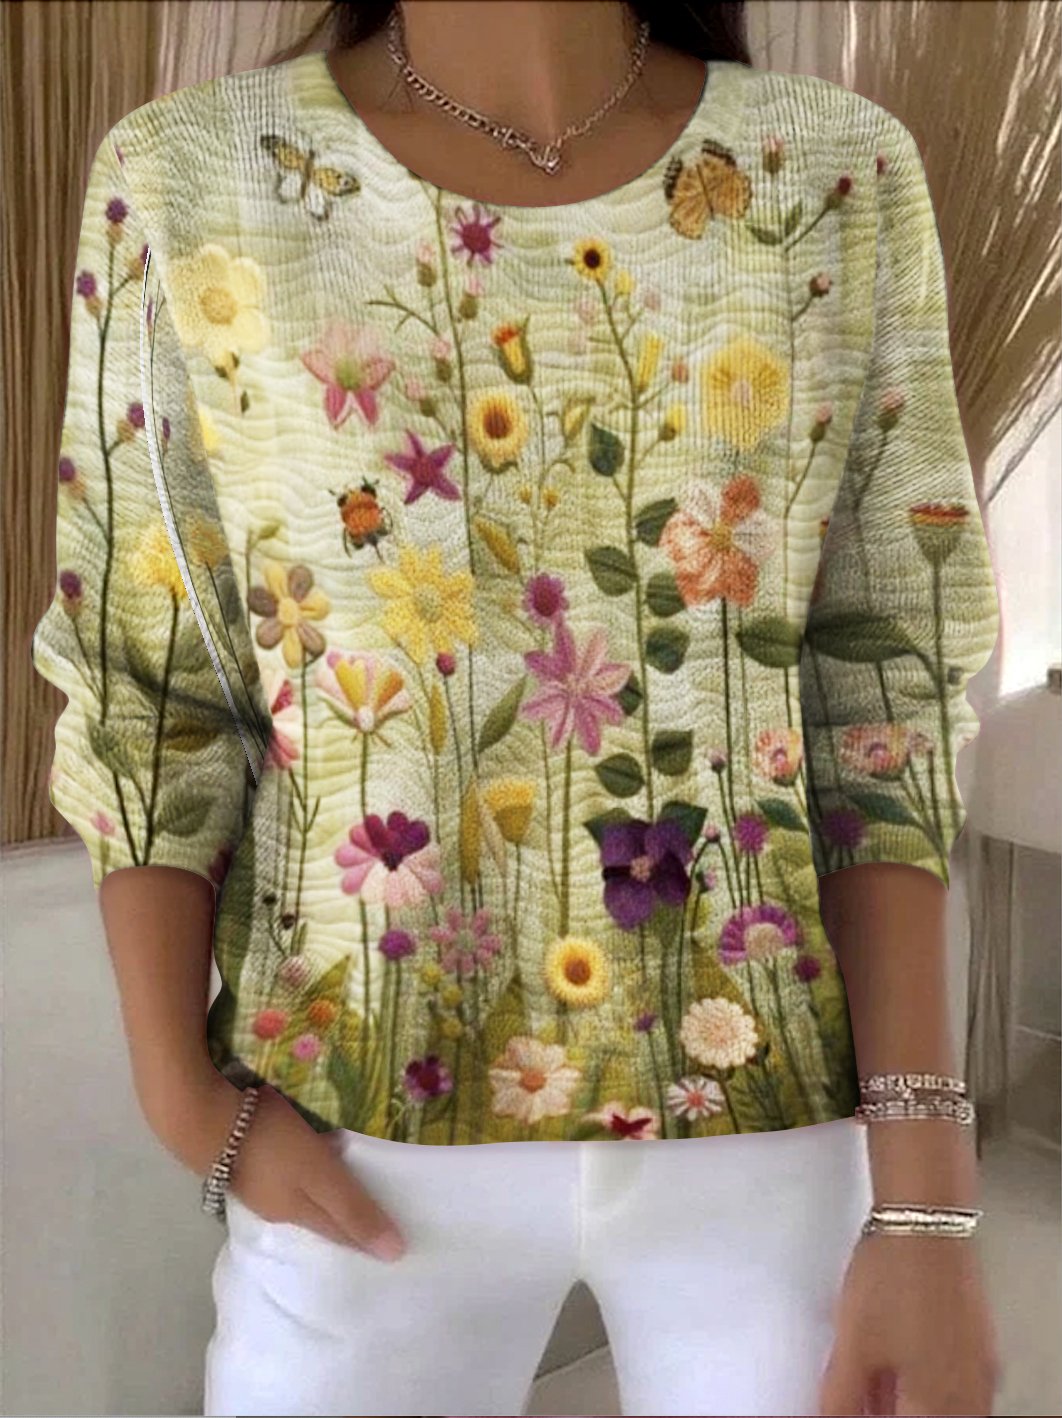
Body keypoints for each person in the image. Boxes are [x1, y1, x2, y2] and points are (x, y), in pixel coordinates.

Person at [31, 1, 1003, 1413]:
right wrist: (185, 1100)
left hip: (769, 1131)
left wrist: (924, 1204)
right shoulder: (192, 175)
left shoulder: (828, 171)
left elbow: (883, 691)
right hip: (355, 1137)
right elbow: (149, 674)